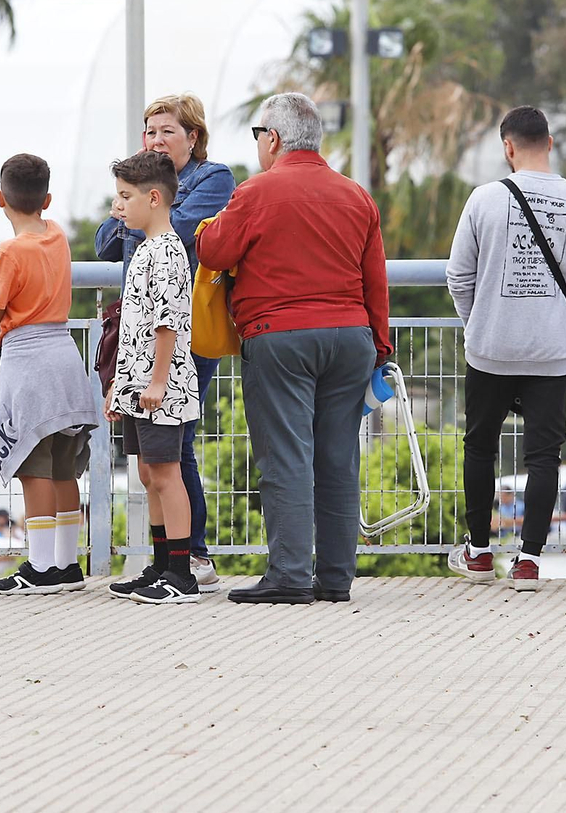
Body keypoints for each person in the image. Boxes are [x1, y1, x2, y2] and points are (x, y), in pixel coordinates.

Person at [197, 93, 390, 605]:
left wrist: (205, 226)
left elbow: (215, 250)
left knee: (286, 457)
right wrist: (381, 346)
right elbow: (376, 281)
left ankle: (288, 575)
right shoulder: (356, 196)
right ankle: (334, 577)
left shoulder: (255, 192)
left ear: (274, 139)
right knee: (337, 458)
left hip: (279, 337)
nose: (259, 143)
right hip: (351, 338)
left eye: (259, 134)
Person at [445, 105, 566, 589]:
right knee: (543, 456)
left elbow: (458, 276)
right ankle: (529, 560)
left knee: (480, 446)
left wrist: (478, 324)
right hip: (552, 352)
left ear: (507, 147)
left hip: (489, 349)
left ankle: (477, 552)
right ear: (550, 143)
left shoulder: (483, 200)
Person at [96, 92, 235, 589]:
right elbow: (103, 242)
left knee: (175, 454)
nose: (156, 140)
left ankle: (189, 561)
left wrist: (133, 216)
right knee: (151, 465)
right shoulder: (145, 204)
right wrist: (131, 213)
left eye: (167, 132)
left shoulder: (211, 179)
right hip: (137, 351)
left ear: (192, 137)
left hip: (176, 348)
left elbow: (176, 226)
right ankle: (164, 562)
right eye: (150, 131)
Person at [0, 154, 102, 595]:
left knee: (35, 466)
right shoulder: (58, 237)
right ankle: (68, 565)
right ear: (47, 199)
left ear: (0, 199)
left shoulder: (10, 251)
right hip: (65, 357)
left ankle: (40, 566)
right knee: (65, 467)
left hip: (28, 361)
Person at [101, 151, 203, 604]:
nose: (118, 206)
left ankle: (181, 572)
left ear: (155, 198)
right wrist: (121, 386)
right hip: (140, 385)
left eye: (126, 196)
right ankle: (161, 564)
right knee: (147, 472)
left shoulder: (167, 251)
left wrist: (158, 382)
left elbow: (168, 322)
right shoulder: (145, 249)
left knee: (166, 472)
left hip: (162, 387)